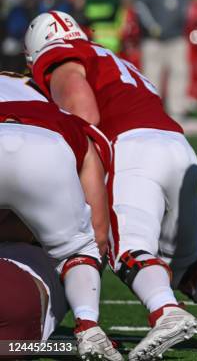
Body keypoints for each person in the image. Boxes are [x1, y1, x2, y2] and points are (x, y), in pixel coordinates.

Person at [24, 11, 197, 359]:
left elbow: (83, 111)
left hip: (132, 148)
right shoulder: (106, 57)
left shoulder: (60, 56)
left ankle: (165, 312)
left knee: (128, 251)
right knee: (184, 265)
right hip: (177, 148)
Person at [0, 73, 120, 360]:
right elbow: (100, 235)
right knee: (82, 247)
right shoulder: (69, 121)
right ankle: (88, 327)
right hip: (51, 145)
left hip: (21, 294)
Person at [133, 0, 189, 120]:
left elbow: (184, 6)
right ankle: (152, 110)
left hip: (175, 36)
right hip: (153, 39)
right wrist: (152, 26)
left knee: (179, 72)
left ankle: (176, 110)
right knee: (152, 74)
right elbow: (140, 6)